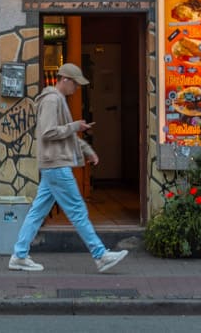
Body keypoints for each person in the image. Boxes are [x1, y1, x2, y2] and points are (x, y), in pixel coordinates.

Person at [8, 62, 128, 273]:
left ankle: (19, 255)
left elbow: (63, 134)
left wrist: (86, 149)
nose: (76, 89)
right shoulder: (53, 100)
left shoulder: (56, 99)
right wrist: (75, 127)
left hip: (52, 164)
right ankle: (100, 255)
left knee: (37, 212)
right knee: (77, 210)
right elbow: (48, 132)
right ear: (65, 80)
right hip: (56, 165)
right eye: (75, 84)